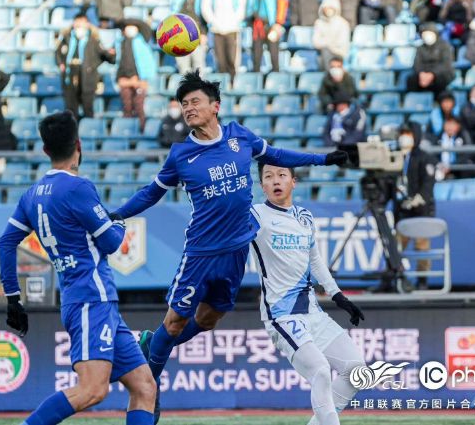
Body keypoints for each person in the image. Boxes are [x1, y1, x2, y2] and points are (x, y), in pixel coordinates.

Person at [110, 70, 348, 424]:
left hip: (236, 252)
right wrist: (115, 214)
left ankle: (150, 344)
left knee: (208, 320)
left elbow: (279, 154)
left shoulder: (240, 137)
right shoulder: (181, 155)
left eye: (195, 102)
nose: (189, 108)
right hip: (201, 256)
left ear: (215, 106)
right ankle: (149, 387)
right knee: (175, 323)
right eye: (184, 103)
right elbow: (151, 193)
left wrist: (323, 159)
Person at [0, 111, 156, 425]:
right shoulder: (78, 188)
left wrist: (13, 297)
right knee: (93, 389)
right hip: (90, 301)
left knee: (144, 385)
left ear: (45, 151)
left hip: (91, 300)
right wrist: (119, 223)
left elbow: (5, 243)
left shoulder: (32, 195)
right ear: (79, 145)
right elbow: (111, 242)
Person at [251, 162, 365, 425]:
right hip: (282, 316)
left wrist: (338, 296)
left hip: (313, 312)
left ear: (294, 181)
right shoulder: (255, 215)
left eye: (282, 175)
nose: (275, 180)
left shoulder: (305, 216)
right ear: (262, 185)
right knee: (321, 372)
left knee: (356, 371)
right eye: (268, 176)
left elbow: (314, 260)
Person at [393, 123, 436, 290]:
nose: (405, 137)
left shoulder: (425, 157)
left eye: (408, 133)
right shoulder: (396, 157)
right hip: (402, 210)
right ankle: (395, 277)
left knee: (422, 246)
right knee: (396, 246)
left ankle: (422, 280)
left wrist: (420, 198)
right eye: (403, 133)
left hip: (421, 210)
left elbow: (429, 181)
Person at [56, 14, 116, 119]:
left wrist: (111, 54)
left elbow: (104, 55)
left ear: (87, 24)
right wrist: (61, 64)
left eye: (82, 23)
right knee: (70, 108)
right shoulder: (66, 38)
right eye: (77, 23)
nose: (79, 26)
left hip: (87, 77)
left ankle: (87, 128)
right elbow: (58, 53)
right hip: (70, 75)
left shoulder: (93, 40)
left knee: (88, 106)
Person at [117, 21, 157, 130]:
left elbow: (147, 62)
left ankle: (142, 130)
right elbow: (119, 63)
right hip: (125, 79)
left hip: (140, 79)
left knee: (139, 106)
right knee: (127, 106)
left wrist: (141, 79)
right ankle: (127, 131)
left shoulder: (142, 43)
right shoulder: (119, 44)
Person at [201, 0, 247, 79]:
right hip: (217, 31)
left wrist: (231, 23)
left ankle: (232, 86)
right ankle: (222, 87)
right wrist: (215, 23)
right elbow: (205, 8)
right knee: (220, 62)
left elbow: (241, 9)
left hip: (232, 30)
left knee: (232, 61)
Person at [406, 23, 455, 97]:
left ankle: (438, 100)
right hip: (424, 74)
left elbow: (446, 65)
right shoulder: (420, 48)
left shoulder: (445, 46)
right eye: (424, 34)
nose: (427, 36)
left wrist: (432, 74)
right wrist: (422, 74)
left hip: (440, 74)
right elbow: (416, 64)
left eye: (429, 33)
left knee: (441, 81)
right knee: (411, 80)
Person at [247, 0, 288, 73]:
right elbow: (249, 6)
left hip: (272, 25)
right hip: (257, 25)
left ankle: (275, 76)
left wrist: (278, 23)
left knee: (274, 54)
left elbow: (282, 3)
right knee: (256, 54)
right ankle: (256, 78)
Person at [172, 0, 208, 74]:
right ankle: (187, 86)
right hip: (181, 36)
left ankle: (199, 86)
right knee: (183, 66)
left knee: (198, 64)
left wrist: (203, 32)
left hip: (197, 35)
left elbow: (204, 16)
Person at [313, 0, 351, 69]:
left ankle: (330, 76)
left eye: (330, 8)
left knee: (326, 52)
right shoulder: (318, 23)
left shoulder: (343, 23)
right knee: (325, 52)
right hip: (323, 54)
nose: (328, 10)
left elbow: (342, 43)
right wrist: (329, 44)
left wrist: (326, 43)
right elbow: (315, 42)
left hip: (339, 54)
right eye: (326, 8)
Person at [437, 115, 473, 179]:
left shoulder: (463, 137)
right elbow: (434, 156)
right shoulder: (438, 138)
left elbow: (466, 155)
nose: (450, 127)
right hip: (440, 168)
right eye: (448, 124)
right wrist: (440, 165)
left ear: (458, 126)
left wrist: (451, 167)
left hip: (458, 170)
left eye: (452, 124)